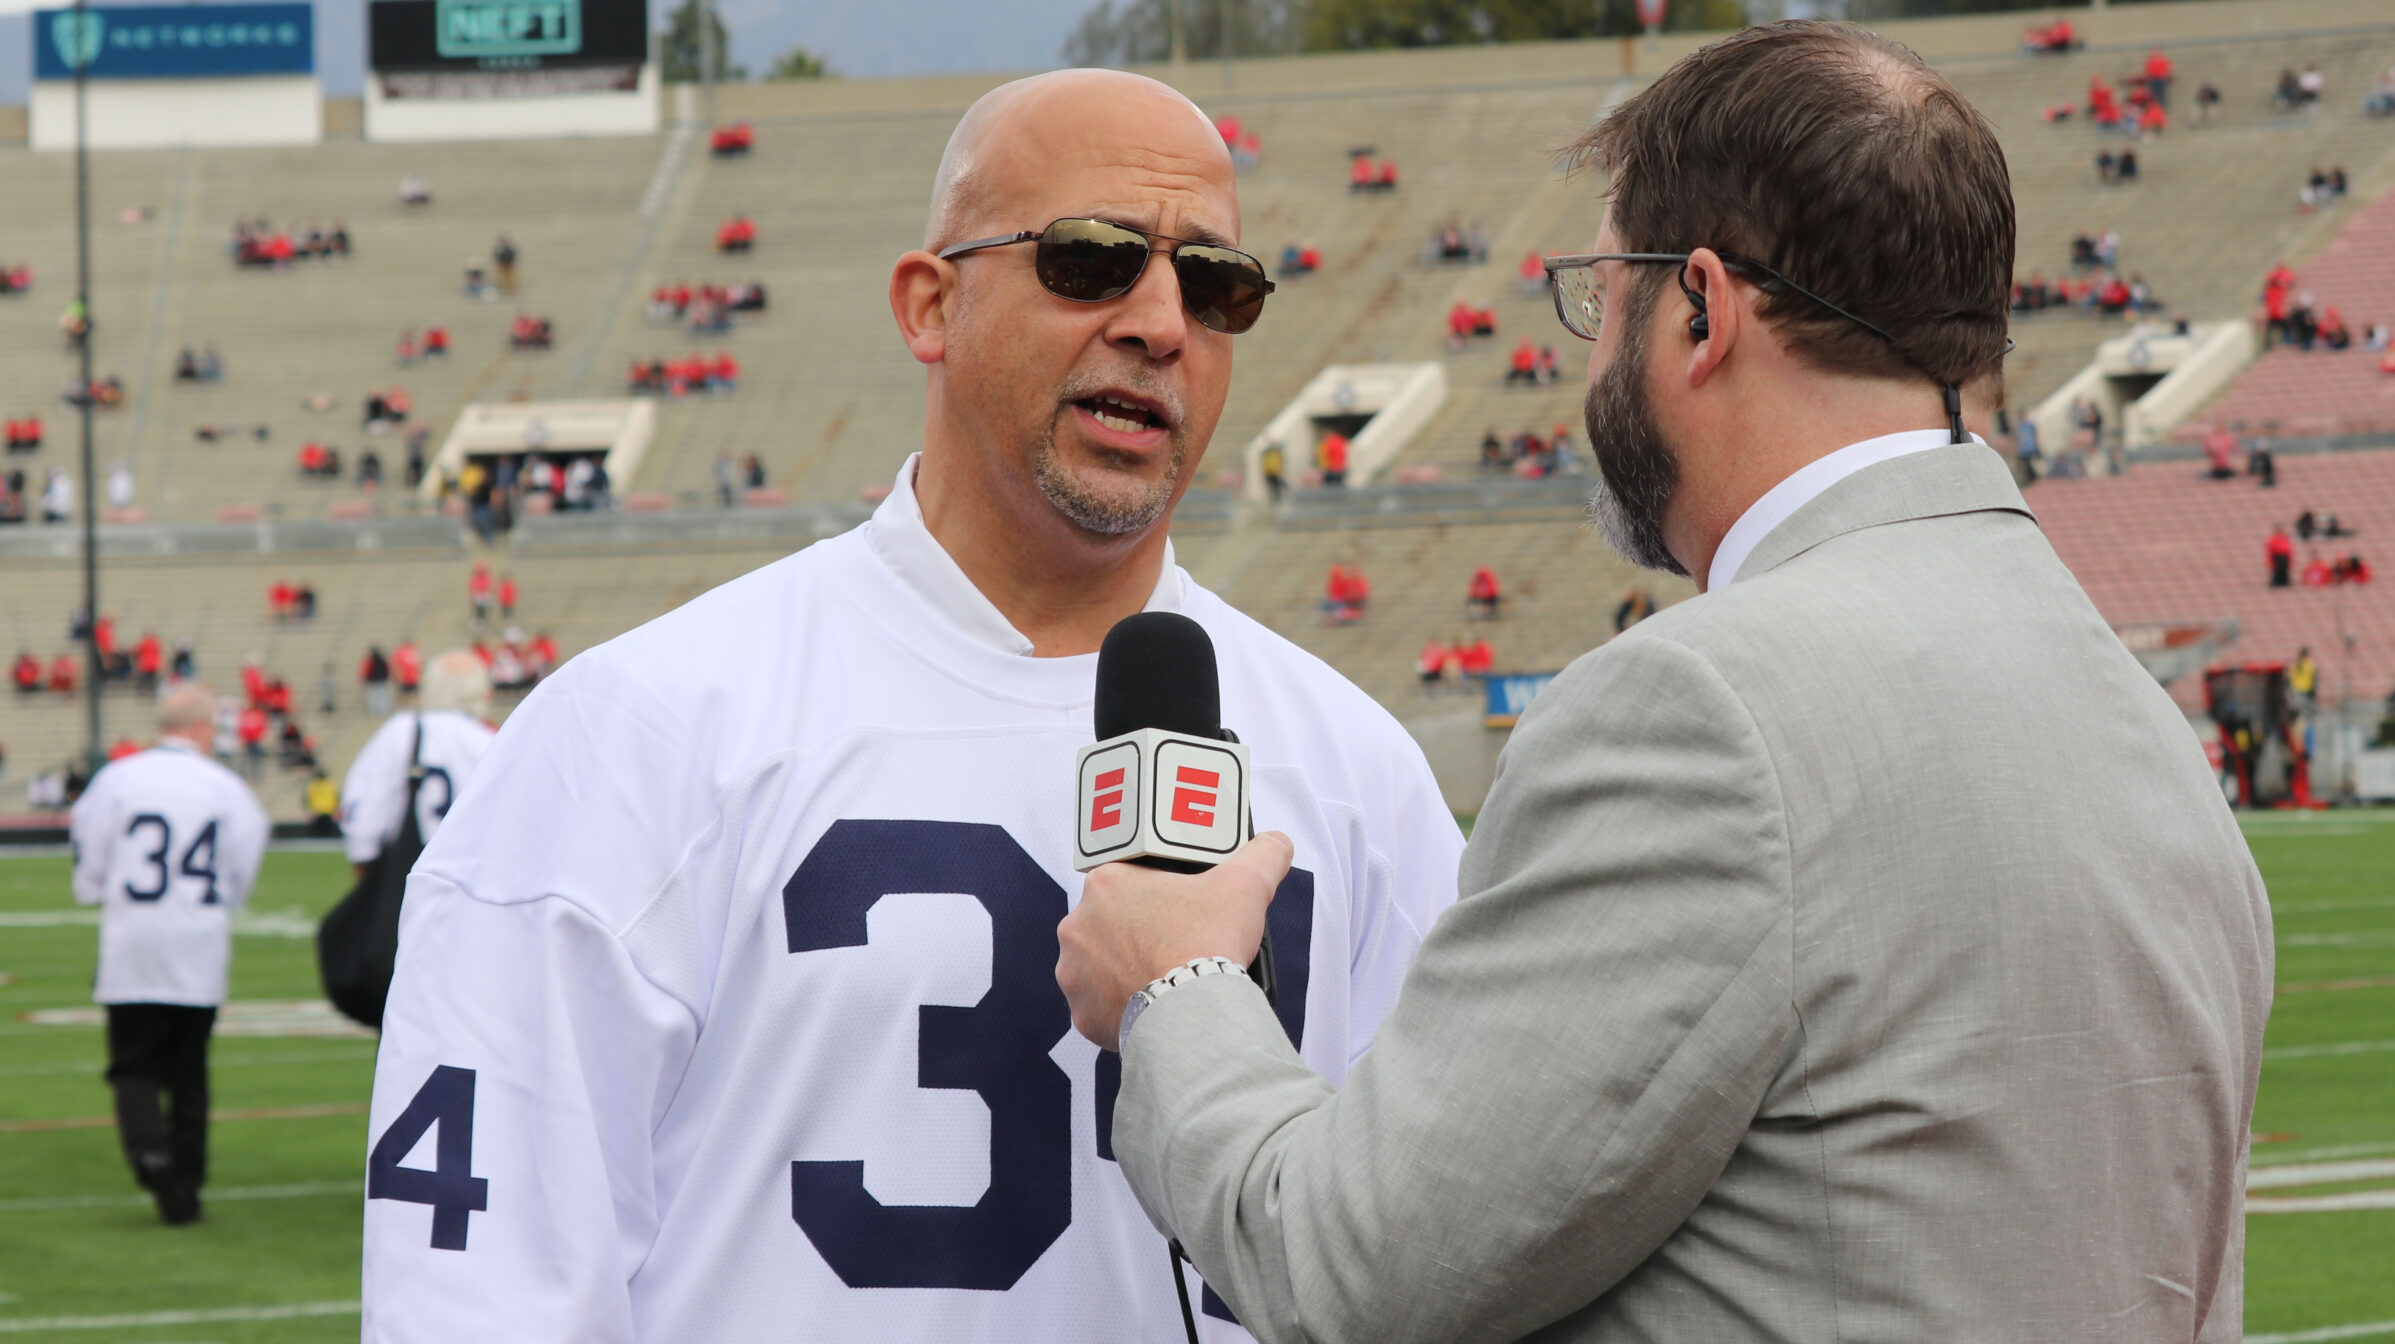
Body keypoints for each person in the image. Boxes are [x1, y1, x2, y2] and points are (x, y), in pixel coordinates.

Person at [1058, 26, 2271, 1343]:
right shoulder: (2143, 725)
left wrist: (1177, 991)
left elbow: (1355, 1271)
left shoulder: (1700, 716)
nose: (1589, 359)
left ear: (1700, 305)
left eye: (1599, 293)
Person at [362, 68, 1461, 1343]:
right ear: (930, 304)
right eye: (1093, 259)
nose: (1161, 321)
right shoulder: (641, 731)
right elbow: (483, 1296)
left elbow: (1442, 1254)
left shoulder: (1358, 775)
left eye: (1215, 285)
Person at [68, 683, 271, 1227]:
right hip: (197, 939)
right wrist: (221, 897)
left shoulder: (118, 778)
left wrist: (94, 885)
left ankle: (149, 1153)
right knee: (189, 1071)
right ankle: (186, 1183)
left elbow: (87, 850)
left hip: (133, 938)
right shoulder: (224, 786)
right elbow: (245, 854)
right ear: (203, 727)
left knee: (132, 1064)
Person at [338, 651, 497, 889]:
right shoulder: (492, 741)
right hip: (473, 883)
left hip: (407, 876)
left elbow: (362, 824)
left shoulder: (400, 731)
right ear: (483, 692)